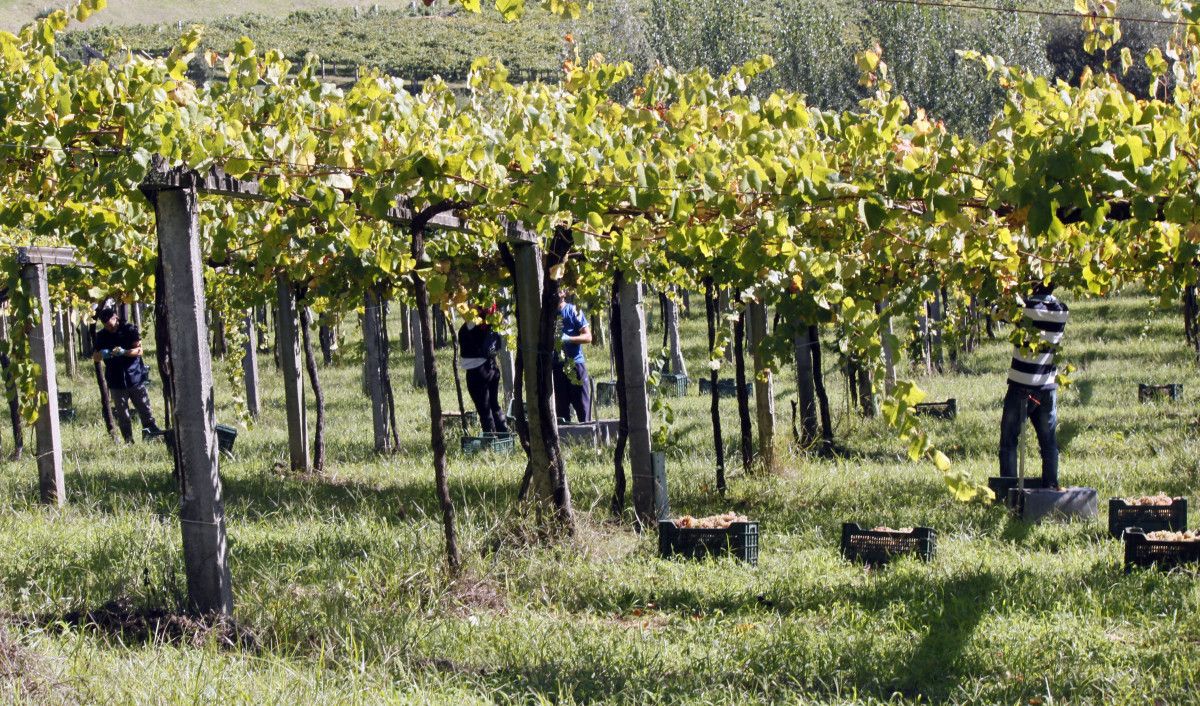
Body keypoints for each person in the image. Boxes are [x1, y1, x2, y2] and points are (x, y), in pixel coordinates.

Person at [999, 282, 1069, 489]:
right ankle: (1050, 488)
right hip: (1047, 388)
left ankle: (1008, 490)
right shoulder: (1061, 311)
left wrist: (1009, 290)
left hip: (1020, 386)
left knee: (1009, 442)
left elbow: (996, 312)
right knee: (1048, 444)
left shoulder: (1023, 309)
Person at [93, 305, 161, 443]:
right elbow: (95, 357)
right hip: (115, 380)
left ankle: (152, 437)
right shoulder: (101, 335)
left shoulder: (130, 330)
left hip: (134, 377)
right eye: (106, 326)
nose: (109, 328)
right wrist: (102, 354)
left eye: (111, 325)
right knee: (123, 415)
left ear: (116, 318)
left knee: (145, 409)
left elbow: (139, 350)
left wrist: (125, 352)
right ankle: (128, 441)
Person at [458, 306, 509, 435]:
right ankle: (504, 436)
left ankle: (490, 441)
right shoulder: (493, 322)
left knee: (484, 410)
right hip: (492, 367)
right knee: (494, 405)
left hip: (478, 371)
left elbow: (460, 307)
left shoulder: (473, 323)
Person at [554, 290, 592, 423]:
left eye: (559, 289)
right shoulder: (546, 315)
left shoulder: (573, 311)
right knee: (561, 410)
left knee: (583, 407)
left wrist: (569, 339)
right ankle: (565, 440)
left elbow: (588, 337)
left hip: (576, 365)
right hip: (556, 367)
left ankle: (587, 436)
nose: (556, 292)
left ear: (565, 293)